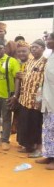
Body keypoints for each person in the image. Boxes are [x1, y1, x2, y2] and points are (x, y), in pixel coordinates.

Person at [10, 39, 47, 157]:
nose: (34, 49)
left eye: (37, 47)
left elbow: (46, 81)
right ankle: (28, 146)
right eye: (33, 47)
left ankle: (39, 148)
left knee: (37, 124)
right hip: (25, 98)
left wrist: (41, 100)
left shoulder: (45, 62)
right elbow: (22, 76)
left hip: (37, 100)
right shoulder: (30, 62)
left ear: (43, 48)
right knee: (26, 123)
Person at [36, 33, 54, 169]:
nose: (48, 41)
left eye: (51, 39)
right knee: (48, 129)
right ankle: (49, 155)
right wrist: (40, 98)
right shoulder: (50, 56)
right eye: (48, 39)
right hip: (48, 99)